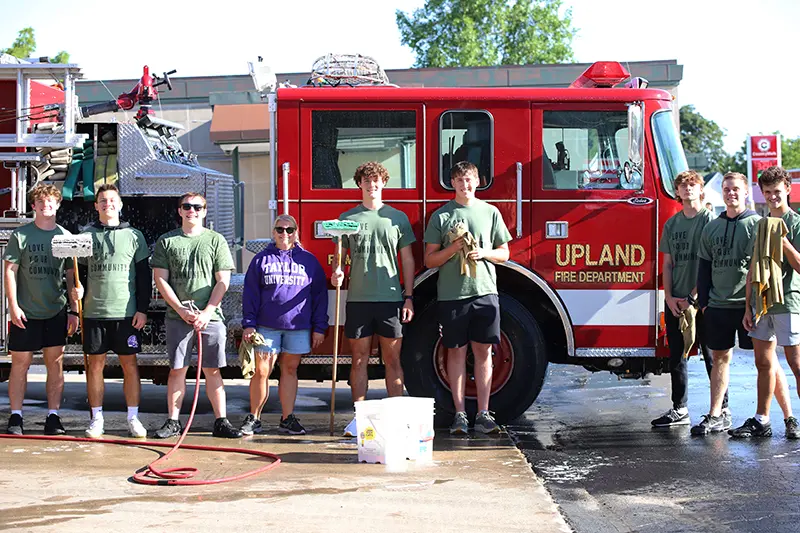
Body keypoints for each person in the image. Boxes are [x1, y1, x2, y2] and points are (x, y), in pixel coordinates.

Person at [691, 172, 788, 435]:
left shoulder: (758, 224)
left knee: (767, 362)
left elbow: (767, 269)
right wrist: (704, 304)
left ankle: (788, 417)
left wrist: (759, 304)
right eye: (726, 189)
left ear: (746, 192)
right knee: (720, 357)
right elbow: (704, 267)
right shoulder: (711, 227)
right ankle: (716, 414)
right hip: (718, 306)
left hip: (751, 307)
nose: (731, 193)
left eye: (736, 189)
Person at [423, 161, 512, 435]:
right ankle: (460, 414)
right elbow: (429, 260)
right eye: (460, 180)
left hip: (485, 292)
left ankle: (484, 414)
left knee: (484, 353)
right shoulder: (441, 216)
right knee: (456, 353)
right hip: (452, 296)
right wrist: (454, 248)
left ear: (478, 181)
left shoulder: (491, 212)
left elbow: (505, 253)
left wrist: (483, 253)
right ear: (452, 183)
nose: (465, 185)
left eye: (470, 180)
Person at [331, 161, 416, 437]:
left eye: (376, 180)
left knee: (393, 361)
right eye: (367, 181)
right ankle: (359, 419)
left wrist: (409, 297)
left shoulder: (397, 218)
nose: (372, 185)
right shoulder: (347, 219)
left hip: (391, 299)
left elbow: (407, 259)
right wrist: (337, 273)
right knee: (359, 360)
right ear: (359, 185)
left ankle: (398, 420)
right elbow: (340, 258)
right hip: (358, 299)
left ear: (383, 183)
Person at [151, 192, 242, 439]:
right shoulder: (167, 241)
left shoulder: (216, 241)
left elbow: (223, 281)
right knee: (177, 370)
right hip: (177, 317)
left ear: (204, 211)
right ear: (179, 211)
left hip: (210, 318)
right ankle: (173, 422)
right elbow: (160, 279)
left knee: (212, 370)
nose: (192, 210)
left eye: (197, 207)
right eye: (187, 206)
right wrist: (180, 309)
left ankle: (221, 422)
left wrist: (208, 312)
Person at [240, 214, 328, 435]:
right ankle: (254, 418)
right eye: (280, 229)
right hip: (266, 326)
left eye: (290, 230)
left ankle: (287, 418)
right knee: (261, 371)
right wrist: (249, 324)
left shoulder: (309, 261)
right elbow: (250, 294)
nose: (285, 234)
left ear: (297, 232)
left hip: (298, 326)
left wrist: (319, 327)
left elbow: (319, 296)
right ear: (273, 232)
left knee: (289, 370)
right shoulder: (261, 260)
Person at [4, 184, 80, 435]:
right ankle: (16, 416)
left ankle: (53, 416)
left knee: (55, 364)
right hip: (25, 311)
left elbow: (71, 274)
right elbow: (9, 271)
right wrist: (13, 307)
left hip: (56, 310)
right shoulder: (21, 235)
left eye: (50, 202)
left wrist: (74, 308)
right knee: (20, 364)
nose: (46, 205)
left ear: (58, 205)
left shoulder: (65, 236)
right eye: (41, 202)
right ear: (33, 206)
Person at [76, 184, 150, 439]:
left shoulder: (134, 235)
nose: (108, 204)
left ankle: (133, 418)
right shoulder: (85, 236)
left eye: (112, 200)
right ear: (96, 206)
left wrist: (142, 309)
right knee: (95, 366)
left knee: (130, 365)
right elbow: (79, 274)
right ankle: (97, 419)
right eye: (102, 201)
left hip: (126, 313)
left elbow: (143, 276)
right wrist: (76, 293)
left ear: (120, 205)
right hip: (94, 312)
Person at [733, 166, 800, 439]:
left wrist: (784, 243)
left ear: (788, 190)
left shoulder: (796, 223)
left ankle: (793, 419)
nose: (772, 197)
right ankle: (762, 419)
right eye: (768, 192)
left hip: (789, 302)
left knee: (796, 365)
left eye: (777, 191)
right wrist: (748, 306)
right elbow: (753, 268)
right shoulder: (760, 224)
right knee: (763, 363)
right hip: (762, 304)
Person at [651, 170, 720, 427]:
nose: (688, 189)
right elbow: (667, 264)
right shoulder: (672, 224)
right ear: (677, 192)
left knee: (711, 355)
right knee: (676, 356)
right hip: (676, 300)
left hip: (703, 301)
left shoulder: (709, 220)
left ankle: (721, 409)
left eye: (692, 185)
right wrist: (669, 298)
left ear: (701, 190)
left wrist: (692, 297)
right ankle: (679, 409)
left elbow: (711, 265)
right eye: (683, 186)